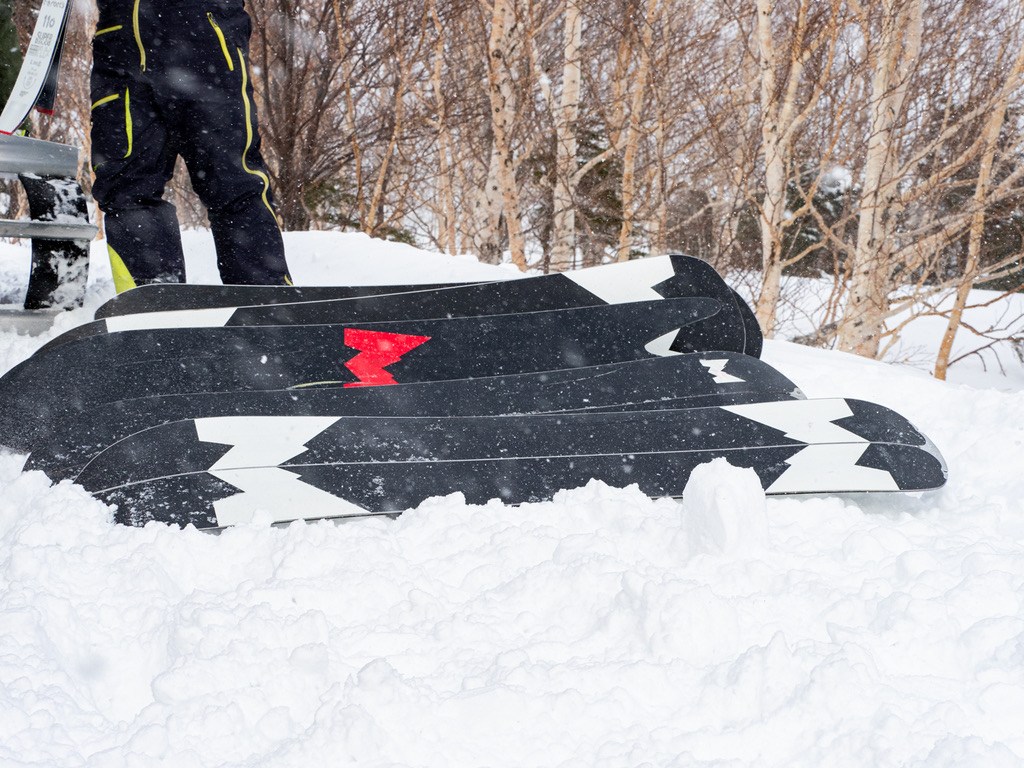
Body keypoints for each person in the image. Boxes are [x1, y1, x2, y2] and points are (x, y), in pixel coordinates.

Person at [90, 0, 291, 291]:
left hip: (205, 33)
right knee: (126, 189)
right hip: (121, 44)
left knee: (233, 181)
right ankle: (149, 304)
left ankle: (266, 303)